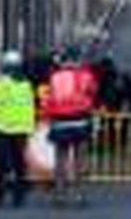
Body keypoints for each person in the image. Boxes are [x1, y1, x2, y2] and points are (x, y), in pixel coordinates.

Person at [44, 45, 100, 205]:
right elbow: (93, 91)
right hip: (80, 121)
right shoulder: (85, 75)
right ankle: (80, 195)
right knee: (80, 159)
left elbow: (50, 98)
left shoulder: (54, 76)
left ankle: (59, 196)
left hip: (59, 122)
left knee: (60, 160)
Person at [0, 50, 36, 208]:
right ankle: (18, 197)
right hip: (21, 129)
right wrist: (29, 126)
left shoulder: (0, 84)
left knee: (2, 166)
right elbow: (30, 107)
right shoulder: (26, 84)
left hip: (3, 128)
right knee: (19, 165)